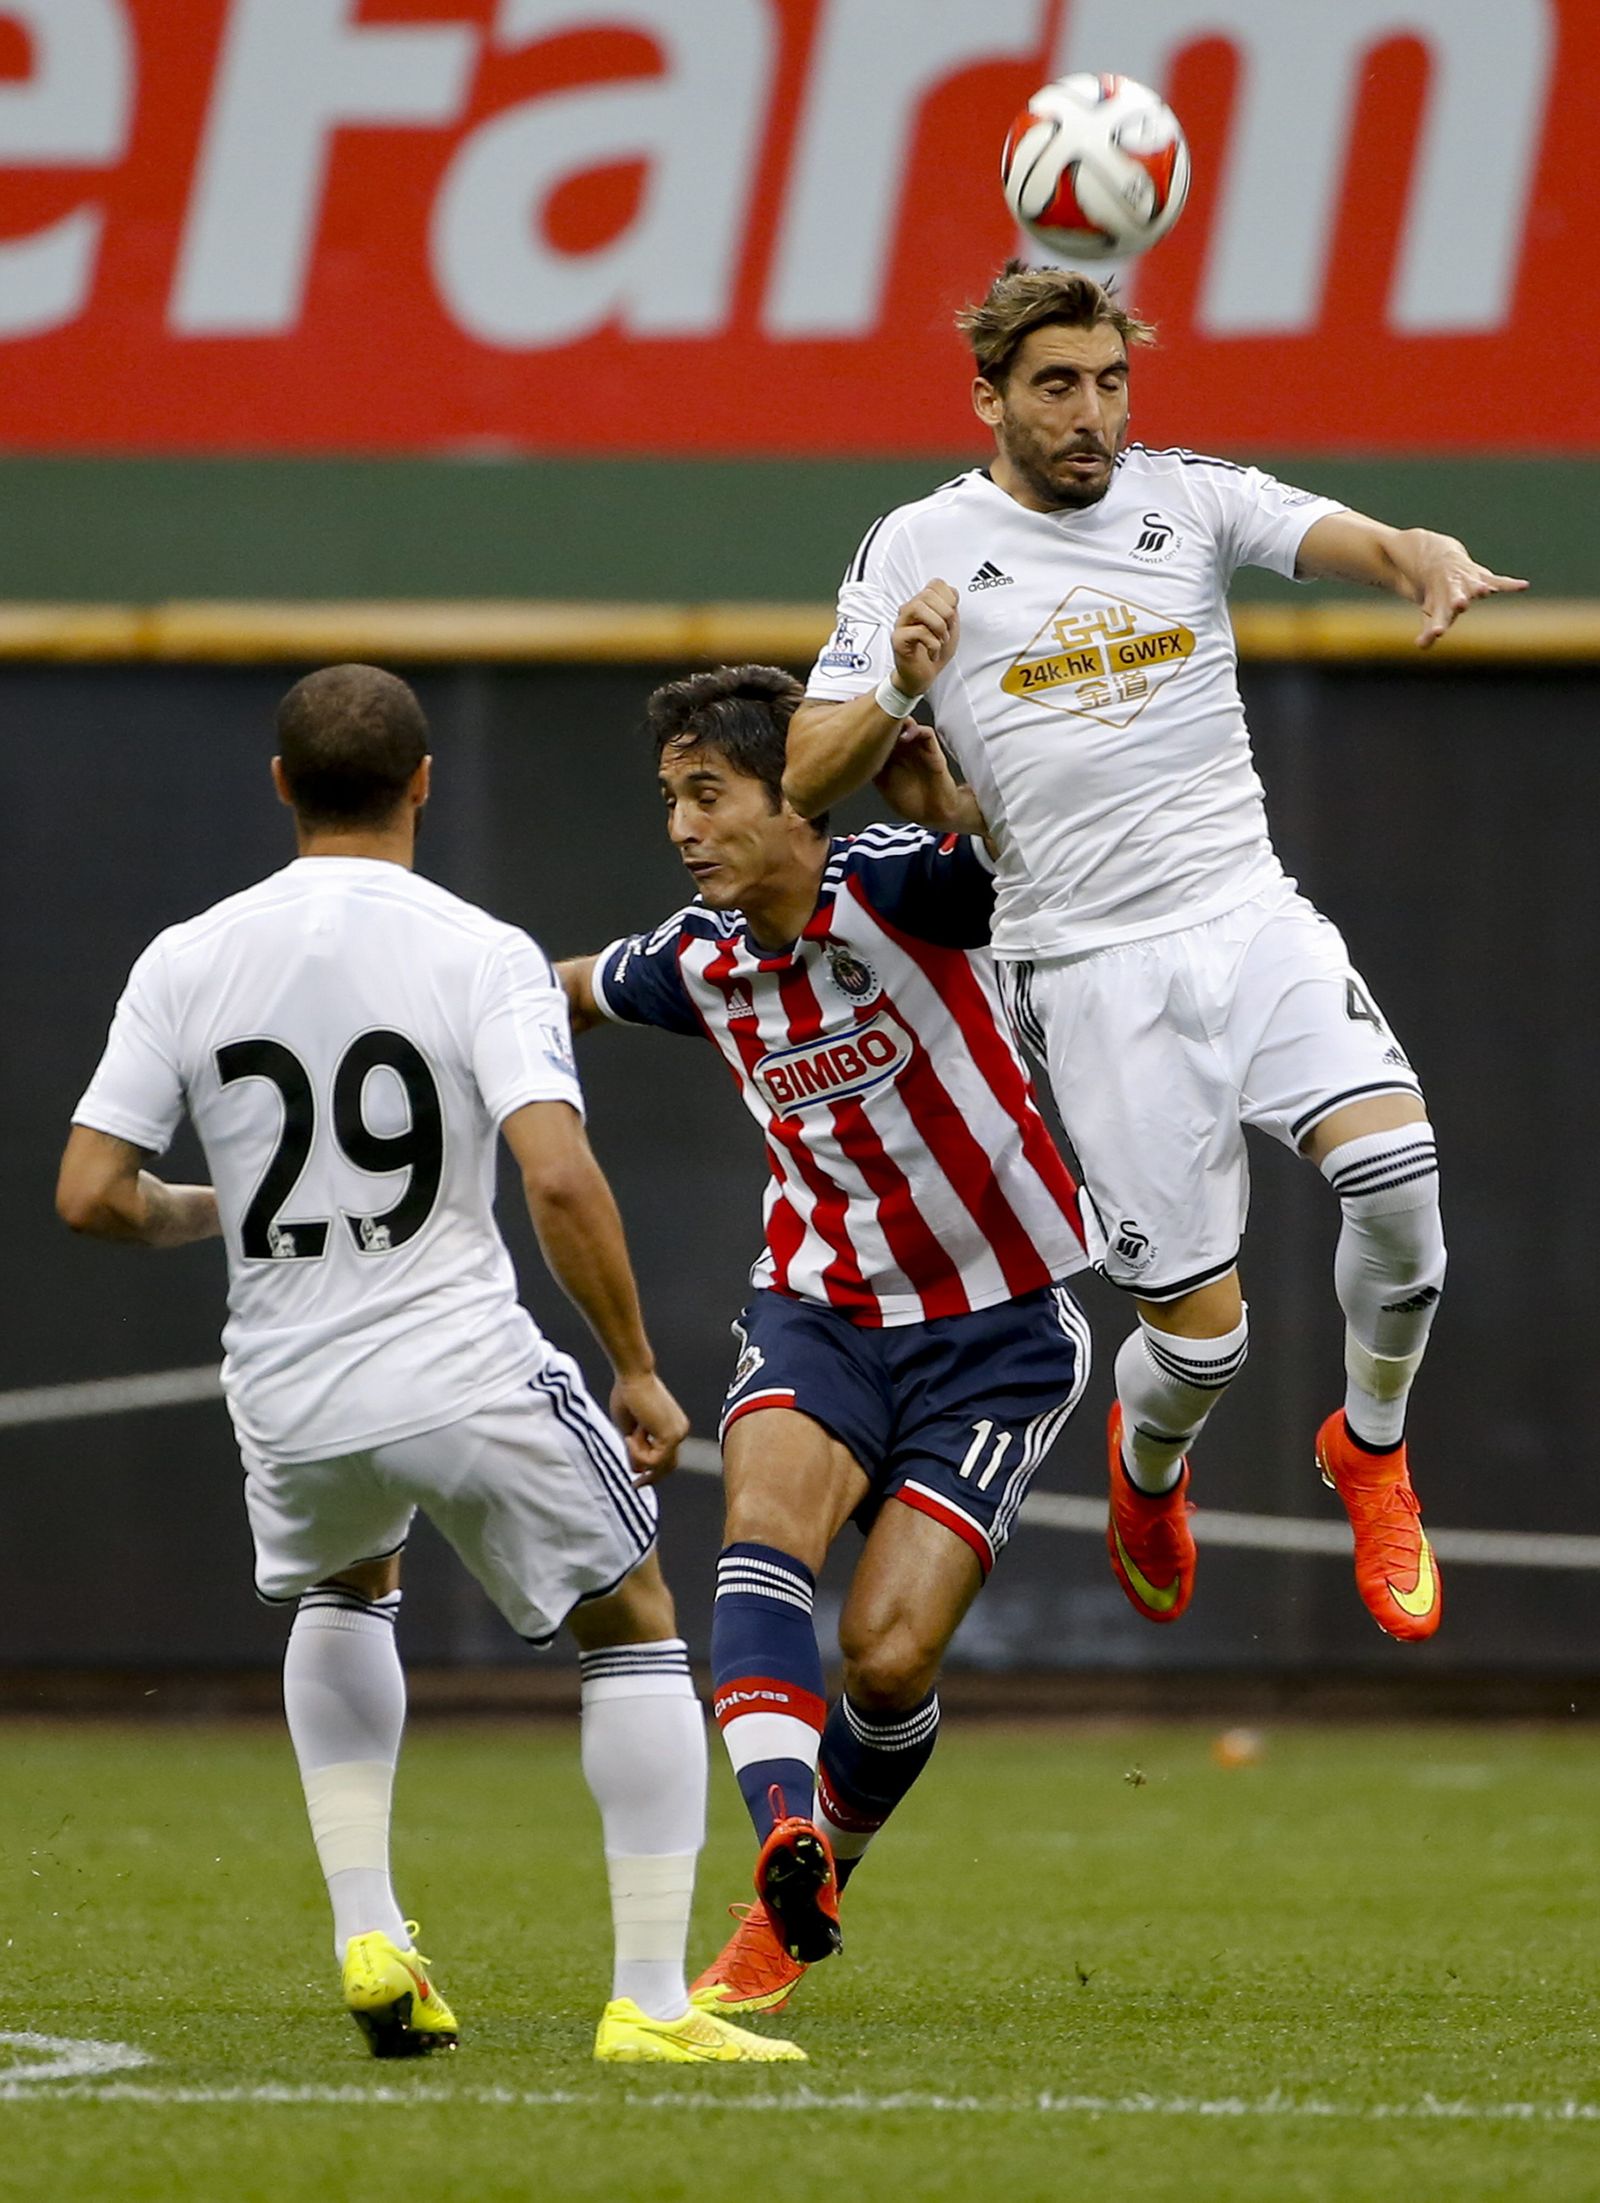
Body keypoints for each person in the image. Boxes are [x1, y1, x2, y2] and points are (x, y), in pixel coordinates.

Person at [56, 662, 801, 2067]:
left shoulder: (185, 956)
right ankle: (651, 1999)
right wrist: (636, 1367)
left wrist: (224, 1208)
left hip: (285, 1390)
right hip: (459, 1366)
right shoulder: (482, 949)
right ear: (423, 783)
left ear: (282, 785)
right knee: (635, 1620)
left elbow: (92, 1194)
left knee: (347, 1586)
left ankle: (370, 1927)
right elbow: (557, 1177)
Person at [783, 263, 1529, 1647]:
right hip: (1084, 965)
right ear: (989, 399)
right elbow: (806, 774)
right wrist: (895, 678)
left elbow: (1361, 540)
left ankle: (1371, 1447)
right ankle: (1149, 1464)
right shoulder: (917, 546)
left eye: (1111, 382)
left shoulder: (1185, 497)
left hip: (1248, 916)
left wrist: (1421, 555)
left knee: (1399, 1184)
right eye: (1058, 385)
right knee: (1202, 1346)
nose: (1093, 414)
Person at [558, 663, 1090, 2020]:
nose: (682, 828)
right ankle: (783, 1837)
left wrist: (957, 800)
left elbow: (1044, 865)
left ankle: (805, 1894)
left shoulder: (907, 886)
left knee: (889, 1658)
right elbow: (552, 993)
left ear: (796, 793)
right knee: (761, 1532)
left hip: (1000, 1328)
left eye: (709, 794)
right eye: (669, 799)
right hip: (823, 1311)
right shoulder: (697, 958)